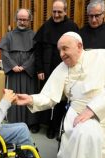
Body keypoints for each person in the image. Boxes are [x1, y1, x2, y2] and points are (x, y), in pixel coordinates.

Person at [33, 0, 79, 139]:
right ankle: (39, 123)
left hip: (64, 71)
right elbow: (38, 50)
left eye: (59, 12)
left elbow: (77, 50)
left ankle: (53, 127)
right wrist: (39, 69)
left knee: (59, 101)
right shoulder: (46, 26)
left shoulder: (72, 27)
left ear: (65, 12)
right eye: (54, 11)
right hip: (45, 71)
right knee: (43, 96)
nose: (56, 14)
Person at [0, 8, 40, 133]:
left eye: (25, 20)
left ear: (29, 20)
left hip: (28, 72)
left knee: (29, 94)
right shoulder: (9, 35)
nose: (22, 22)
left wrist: (26, 66)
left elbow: (36, 53)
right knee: (15, 95)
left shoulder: (34, 35)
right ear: (16, 20)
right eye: (20, 19)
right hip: (14, 72)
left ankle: (31, 122)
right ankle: (15, 121)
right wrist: (12, 65)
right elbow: (4, 52)